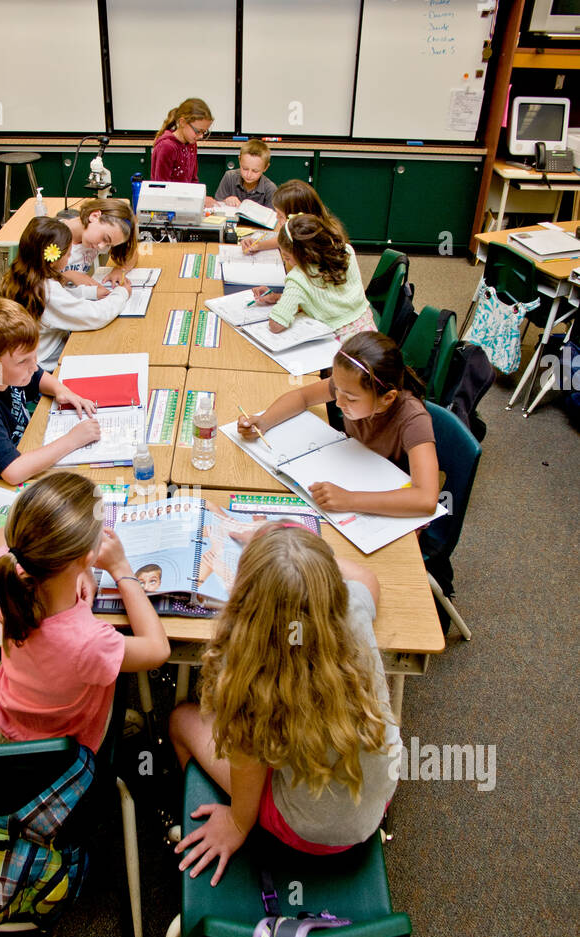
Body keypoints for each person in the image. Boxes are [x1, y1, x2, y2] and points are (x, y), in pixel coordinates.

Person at [170, 523, 401, 885]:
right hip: (374, 802)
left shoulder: (247, 678)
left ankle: (212, 814)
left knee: (182, 719)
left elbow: (249, 768)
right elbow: (366, 576)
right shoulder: (352, 613)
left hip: (305, 831)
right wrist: (297, 556)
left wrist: (238, 821)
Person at [0, 471, 170, 752]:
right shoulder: (91, 643)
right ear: (88, 557)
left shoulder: (10, 581)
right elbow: (158, 650)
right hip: (60, 750)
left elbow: (0, 537)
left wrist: (75, 574)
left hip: (1, 722)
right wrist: (121, 570)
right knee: (116, 679)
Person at [237, 331, 439, 518]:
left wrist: (351, 500)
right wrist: (264, 420)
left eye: (350, 399)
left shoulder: (414, 420)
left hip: (387, 501)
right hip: (354, 471)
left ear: (388, 398)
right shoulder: (348, 385)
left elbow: (426, 499)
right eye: (337, 390)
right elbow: (302, 396)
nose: (339, 402)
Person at [0, 298, 102, 485]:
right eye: (23, 361)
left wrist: (60, 389)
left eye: (34, 355)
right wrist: (72, 440)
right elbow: (13, 472)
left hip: (23, 448)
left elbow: (37, 376)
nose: (33, 366)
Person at [0, 217, 131, 368]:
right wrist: (122, 293)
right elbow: (96, 316)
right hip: (45, 362)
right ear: (54, 258)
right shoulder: (46, 290)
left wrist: (90, 292)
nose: (69, 260)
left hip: (34, 351)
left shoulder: (25, 275)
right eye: (68, 254)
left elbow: (61, 297)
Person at [262, 212, 375, 345]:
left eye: (287, 257)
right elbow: (328, 295)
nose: (284, 260)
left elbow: (276, 324)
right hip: (369, 333)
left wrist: (281, 306)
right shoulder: (346, 251)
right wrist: (278, 297)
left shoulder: (298, 278)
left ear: (304, 255)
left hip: (340, 344)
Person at [55, 199, 139, 289]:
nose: (101, 246)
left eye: (109, 245)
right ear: (94, 216)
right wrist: (68, 276)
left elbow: (132, 255)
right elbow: (39, 282)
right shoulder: (49, 237)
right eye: (105, 238)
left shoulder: (96, 241)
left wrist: (120, 270)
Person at [151, 98, 214, 186]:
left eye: (204, 132)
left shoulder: (191, 144)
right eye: (198, 131)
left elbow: (193, 181)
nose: (201, 136)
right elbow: (161, 187)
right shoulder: (166, 147)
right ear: (183, 122)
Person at [214, 139, 276, 210]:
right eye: (245, 169)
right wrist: (225, 201)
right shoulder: (229, 177)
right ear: (239, 161)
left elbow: (272, 218)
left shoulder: (270, 189)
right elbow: (216, 206)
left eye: (255, 171)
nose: (249, 175)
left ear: (265, 167)